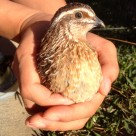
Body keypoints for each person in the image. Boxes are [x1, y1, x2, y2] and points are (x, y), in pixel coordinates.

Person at [0, 0, 119, 131]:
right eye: (79, 16)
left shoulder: (86, 50)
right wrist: (25, 21)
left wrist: (31, 20)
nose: (95, 20)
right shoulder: (51, 60)